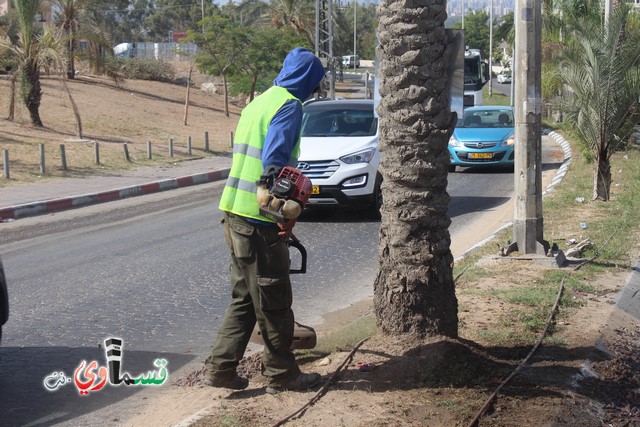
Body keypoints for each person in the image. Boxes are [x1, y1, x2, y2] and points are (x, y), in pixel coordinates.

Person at [204, 48, 326, 392]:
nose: (314, 91)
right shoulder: (289, 105)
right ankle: (283, 375)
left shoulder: (259, 102)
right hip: (257, 219)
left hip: (232, 211)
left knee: (245, 297)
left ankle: (220, 369)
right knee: (273, 300)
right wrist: (280, 213)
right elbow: (273, 164)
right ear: (306, 80)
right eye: (315, 83)